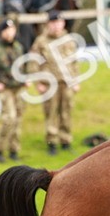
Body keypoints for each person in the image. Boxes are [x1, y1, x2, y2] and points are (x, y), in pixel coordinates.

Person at [30, 9, 79, 155]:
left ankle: (66, 141)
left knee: (66, 112)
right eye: (53, 22)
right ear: (48, 24)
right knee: (51, 113)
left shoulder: (68, 40)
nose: (56, 25)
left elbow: (75, 62)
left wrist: (76, 81)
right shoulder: (41, 41)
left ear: (63, 23)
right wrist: (38, 82)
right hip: (49, 84)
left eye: (58, 22)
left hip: (67, 83)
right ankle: (52, 142)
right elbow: (33, 63)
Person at [0, 18, 29, 162]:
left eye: (12, 30)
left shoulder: (18, 47)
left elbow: (23, 66)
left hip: (18, 88)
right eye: (7, 30)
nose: (10, 33)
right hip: (5, 88)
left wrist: (26, 78)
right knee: (9, 118)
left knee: (18, 120)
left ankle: (14, 151)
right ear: (1, 32)